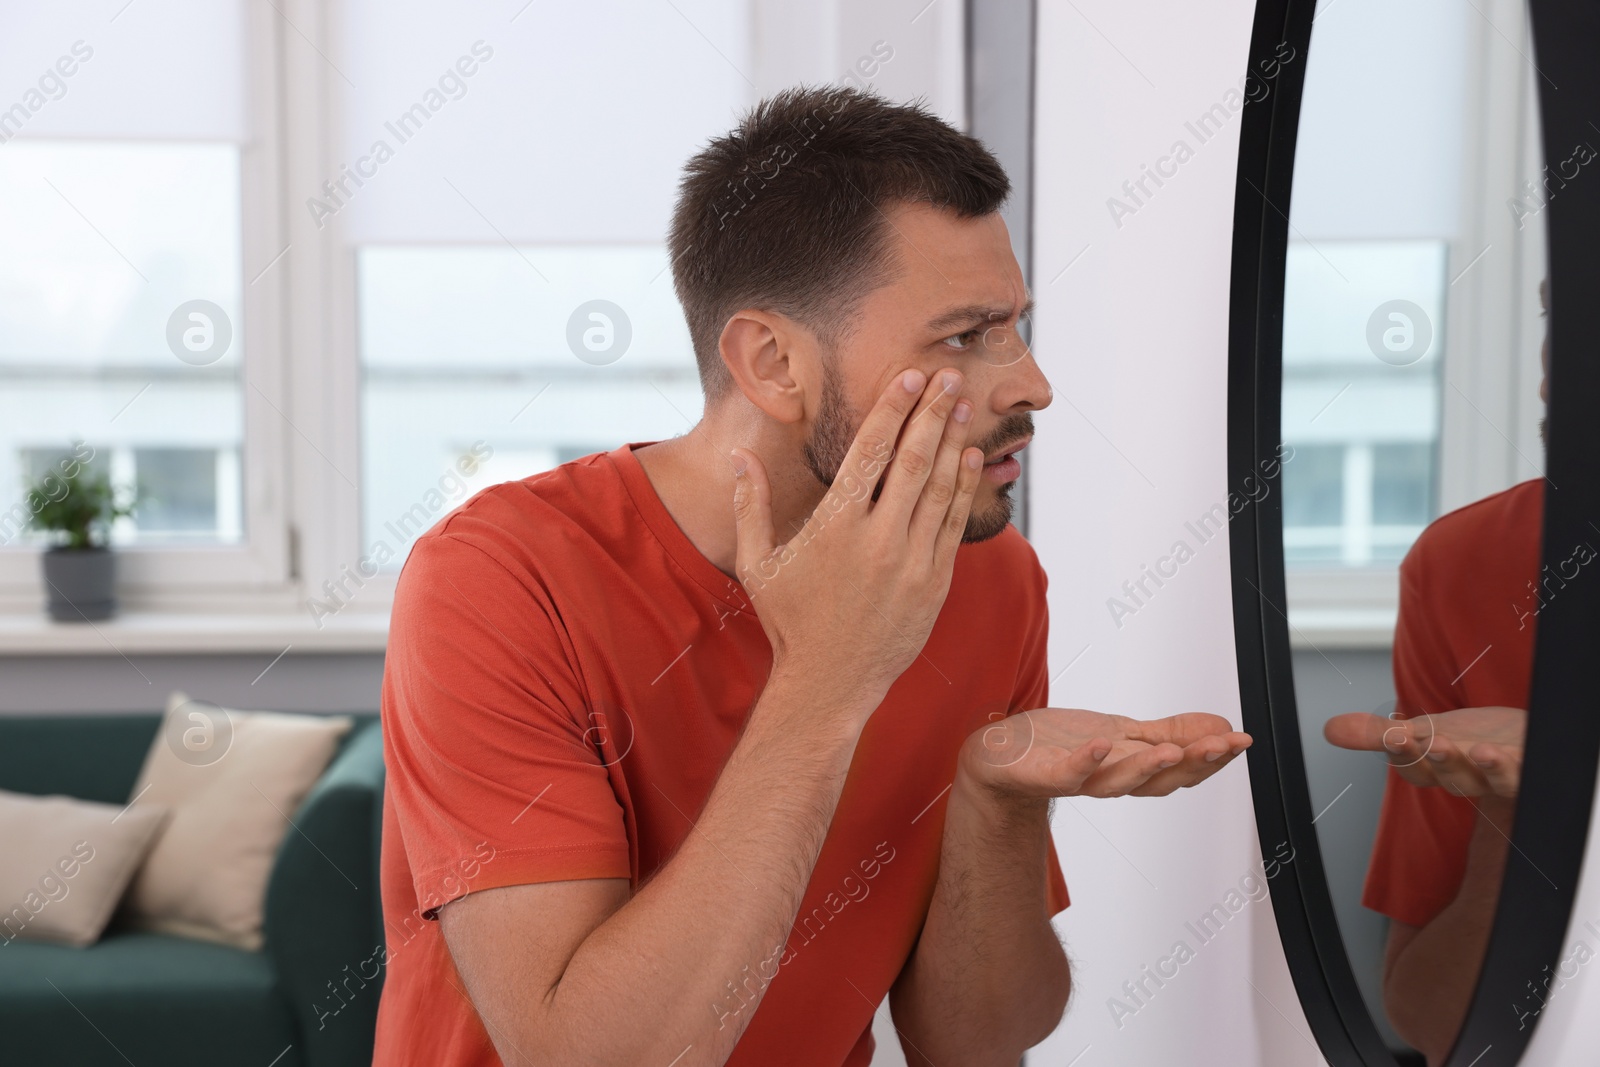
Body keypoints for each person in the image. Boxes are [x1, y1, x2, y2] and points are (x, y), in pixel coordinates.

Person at [372, 86, 1250, 1067]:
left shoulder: (988, 574)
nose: (1030, 384)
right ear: (774, 361)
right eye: (964, 336)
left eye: (1015, 325)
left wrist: (994, 800)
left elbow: (972, 1042)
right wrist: (828, 679)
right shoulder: (498, 579)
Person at [1324, 280, 1550, 1064]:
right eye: (1559, 313)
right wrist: (1515, 811)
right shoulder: (1466, 566)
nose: (1553, 375)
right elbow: (1430, 1017)